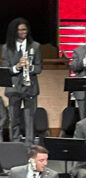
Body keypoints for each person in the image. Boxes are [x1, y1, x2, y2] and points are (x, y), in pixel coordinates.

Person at [2, 17, 42, 146]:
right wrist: (18, 66)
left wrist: (29, 66)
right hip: (13, 89)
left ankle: (29, 146)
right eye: (20, 30)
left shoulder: (35, 46)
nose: (23, 32)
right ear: (14, 31)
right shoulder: (6, 47)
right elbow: (6, 68)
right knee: (14, 119)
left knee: (29, 119)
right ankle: (15, 144)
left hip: (30, 88)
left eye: (25, 29)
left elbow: (39, 68)